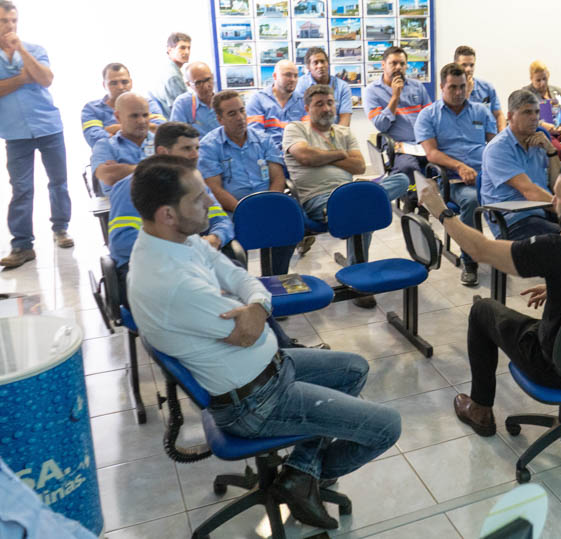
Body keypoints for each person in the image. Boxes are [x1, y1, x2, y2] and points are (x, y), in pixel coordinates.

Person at [127, 155, 400, 530]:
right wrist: (255, 311)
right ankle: (306, 479)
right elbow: (249, 332)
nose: (210, 202)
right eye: (197, 198)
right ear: (167, 214)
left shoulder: (179, 240)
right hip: (253, 403)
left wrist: (256, 304)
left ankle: (301, 474)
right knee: (388, 426)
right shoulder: (169, 281)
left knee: (353, 369)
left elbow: (238, 277)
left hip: (272, 368)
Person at [417, 161, 561, 436]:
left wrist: (442, 212)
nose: (552, 200)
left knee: (483, 310)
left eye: (557, 195)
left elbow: (480, 250)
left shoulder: (555, 249)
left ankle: (480, 409)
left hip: (553, 367)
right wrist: (557, 285)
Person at [284, 85, 410, 307]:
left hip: (350, 192)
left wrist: (322, 156)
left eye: (330, 103)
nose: (326, 108)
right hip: (319, 199)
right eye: (319, 104)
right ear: (307, 108)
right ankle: (359, 278)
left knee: (401, 180)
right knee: (363, 211)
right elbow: (304, 156)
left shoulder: (344, 132)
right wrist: (341, 154)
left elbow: (359, 166)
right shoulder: (295, 129)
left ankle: (363, 210)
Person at [108, 123, 235, 299]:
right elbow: (122, 243)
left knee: (239, 285)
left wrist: (215, 238)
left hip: (194, 262)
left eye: (197, 148)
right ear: (162, 152)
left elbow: (222, 221)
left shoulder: (196, 183)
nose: (195, 154)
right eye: (186, 148)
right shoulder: (131, 186)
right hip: (151, 269)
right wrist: (186, 247)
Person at [0, 0, 73, 267]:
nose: (9, 26)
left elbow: (45, 79)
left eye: (13, 21)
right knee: (21, 188)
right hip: (14, 132)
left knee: (58, 181)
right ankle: (22, 245)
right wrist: (21, 78)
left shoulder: (34, 49)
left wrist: (21, 51)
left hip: (48, 126)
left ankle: (61, 228)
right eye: (3, 21)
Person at [415, 63, 498, 286]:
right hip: (452, 179)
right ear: (441, 87)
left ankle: (509, 251)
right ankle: (470, 261)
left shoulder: (481, 111)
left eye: (463, 87)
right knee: (472, 200)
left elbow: (495, 143)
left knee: (520, 189)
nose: (459, 92)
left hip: (486, 175)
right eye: (453, 87)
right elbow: (431, 154)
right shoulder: (428, 115)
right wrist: (460, 166)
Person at [199, 91, 296, 275]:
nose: (240, 117)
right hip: (232, 209)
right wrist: (246, 210)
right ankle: (243, 286)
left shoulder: (263, 139)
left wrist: (270, 203)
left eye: (242, 111)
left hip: (267, 203)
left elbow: (277, 178)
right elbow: (214, 188)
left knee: (289, 222)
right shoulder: (209, 146)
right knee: (230, 241)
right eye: (232, 113)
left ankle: (277, 277)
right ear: (220, 119)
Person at [480, 89, 561, 240]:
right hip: (514, 220)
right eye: (527, 112)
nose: (534, 118)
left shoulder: (539, 141)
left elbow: (558, 183)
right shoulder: (498, 148)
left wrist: (551, 151)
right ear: (510, 116)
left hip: (543, 211)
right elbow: (530, 192)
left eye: (537, 112)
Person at [362, 46, 434, 182]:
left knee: (447, 160)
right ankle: (414, 201)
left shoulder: (417, 87)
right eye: (393, 63)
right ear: (383, 65)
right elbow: (381, 125)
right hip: (400, 148)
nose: (398, 67)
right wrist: (395, 97)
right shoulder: (372, 91)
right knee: (408, 167)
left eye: (402, 64)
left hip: (424, 143)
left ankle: (440, 198)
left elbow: (430, 117)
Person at [82, 63, 166, 148]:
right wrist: (141, 129)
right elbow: (96, 140)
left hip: (147, 157)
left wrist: (112, 129)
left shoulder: (148, 103)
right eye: (114, 83)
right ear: (104, 85)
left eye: (125, 82)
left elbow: (161, 131)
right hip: (111, 158)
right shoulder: (92, 109)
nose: (120, 87)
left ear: (131, 82)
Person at [91, 93, 155, 192]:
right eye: (134, 116)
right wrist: (159, 168)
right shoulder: (104, 146)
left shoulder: (162, 141)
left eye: (145, 115)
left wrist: (124, 171)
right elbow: (109, 177)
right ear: (118, 117)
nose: (142, 121)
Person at [246, 59, 306, 155]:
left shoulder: (303, 102)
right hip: (268, 156)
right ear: (275, 76)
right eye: (288, 75)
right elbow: (255, 135)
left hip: (297, 154)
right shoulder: (258, 100)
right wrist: (277, 153)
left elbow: (308, 133)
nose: (293, 79)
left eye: (296, 76)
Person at [293, 47, 353, 126]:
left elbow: (345, 119)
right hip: (308, 134)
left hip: (335, 134)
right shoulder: (299, 85)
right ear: (308, 67)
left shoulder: (342, 87)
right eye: (315, 63)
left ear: (327, 64)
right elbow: (297, 117)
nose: (320, 66)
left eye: (322, 61)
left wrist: (336, 137)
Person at [523, 60, 561, 157]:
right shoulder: (525, 94)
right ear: (531, 78)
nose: (542, 83)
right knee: (560, 151)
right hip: (541, 132)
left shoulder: (558, 92)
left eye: (545, 79)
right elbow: (525, 118)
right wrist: (542, 125)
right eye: (538, 80)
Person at [455, 45, 505, 131]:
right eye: (464, 65)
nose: (468, 69)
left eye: (471, 65)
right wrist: (467, 92)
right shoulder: (450, 90)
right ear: (456, 65)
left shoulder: (487, 87)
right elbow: (456, 119)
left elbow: (499, 115)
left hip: (489, 138)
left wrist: (502, 136)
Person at [170, 61, 221, 136]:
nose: (206, 86)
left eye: (208, 80)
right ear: (188, 84)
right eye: (198, 83)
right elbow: (176, 135)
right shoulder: (183, 103)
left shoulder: (224, 101)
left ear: (213, 77)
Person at [150, 32, 190, 112]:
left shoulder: (167, 68)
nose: (187, 52)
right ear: (170, 50)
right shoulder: (174, 76)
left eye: (189, 48)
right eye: (182, 48)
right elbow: (185, 108)